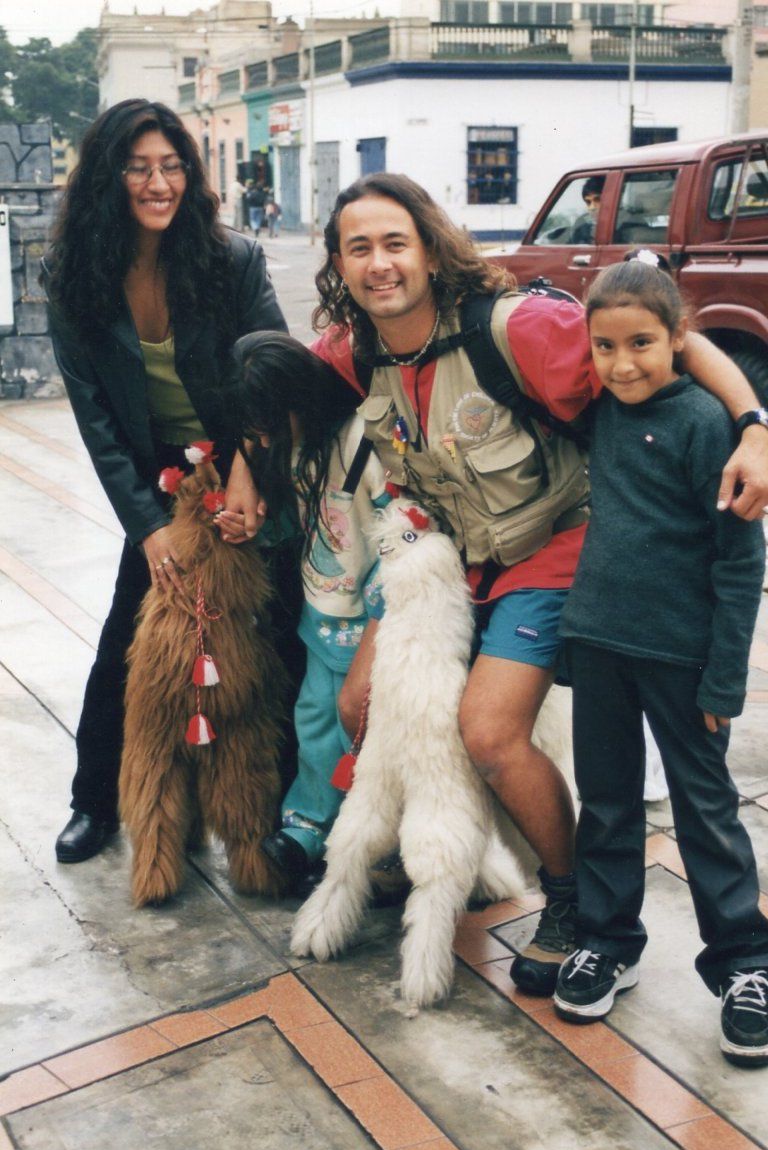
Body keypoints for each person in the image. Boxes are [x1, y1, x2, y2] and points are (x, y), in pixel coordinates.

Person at [222, 173, 768, 997]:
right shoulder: (352, 351)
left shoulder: (519, 329)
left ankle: (571, 901)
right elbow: (274, 395)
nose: (379, 263)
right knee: (359, 704)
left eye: (396, 243)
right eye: (359, 248)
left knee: (488, 730)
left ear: (430, 249)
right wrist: (241, 465)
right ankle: (444, 856)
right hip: (452, 564)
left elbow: (673, 340)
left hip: (556, 554)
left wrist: (753, 425)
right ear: (338, 263)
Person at [44, 98, 296, 864]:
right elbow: (96, 420)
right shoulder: (74, 278)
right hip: (160, 481)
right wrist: (148, 528)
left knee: (281, 630)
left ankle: (288, 817)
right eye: (138, 168)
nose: (160, 184)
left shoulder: (231, 260)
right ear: (107, 179)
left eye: (172, 166)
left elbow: (273, 367)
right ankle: (95, 801)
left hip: (249, 458)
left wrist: (250, 468)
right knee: (130, 636)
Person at [553, 254, 768, 1068]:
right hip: (600, 648)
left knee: (705, 812)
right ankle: (608, 941)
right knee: (606, 804)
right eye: (605, 347)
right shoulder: (597, 411)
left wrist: (724, 677)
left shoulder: (707, 426)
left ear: (679, 338)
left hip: (683, 661)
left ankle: (745, 964)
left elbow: (740, 563)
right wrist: (575, 645)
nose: (622, 364)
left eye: (641, 342)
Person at [227, 331, 389, 883]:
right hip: (319, 619)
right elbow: (295, 525)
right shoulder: (290, 448)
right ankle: (308, 826)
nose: (263, 439)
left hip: (370, 623)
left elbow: (403, 532)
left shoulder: (363, 441)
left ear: (300, 398)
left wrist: (383, 603)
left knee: (359, 734)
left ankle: (366, 840)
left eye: (270, 425)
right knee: (315, 721)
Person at [571, 174, 604, 244]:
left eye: (597, 200)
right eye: (588, 202)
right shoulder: (581, 224)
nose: (592, 207)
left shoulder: (624, 222)